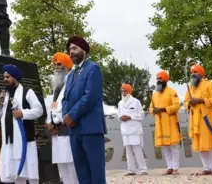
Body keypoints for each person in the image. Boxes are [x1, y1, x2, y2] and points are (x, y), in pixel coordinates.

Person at [61, 36, 107, 184]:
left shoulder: (93, 68)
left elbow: (90, 96)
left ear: (84, 50)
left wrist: (72, 116)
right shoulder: (70, 75)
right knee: (81, 172)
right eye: (70, 49)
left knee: (95, 171)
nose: (71, 52)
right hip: (74, 130)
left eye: (74, 48)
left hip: (90, 128)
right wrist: (65, 117)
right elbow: (65, 99)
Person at [0, 64, 43, 184]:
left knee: (31, 174)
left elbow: (39, 110)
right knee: (17, 175)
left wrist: (23, 113)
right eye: (4, 77)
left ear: (15, 77)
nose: (5, 80)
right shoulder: (5, 96)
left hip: (25, 141)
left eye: (8, 77)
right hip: (10, 142)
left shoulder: (27, 92)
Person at [46, 53, 78, 184]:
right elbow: (53, 106)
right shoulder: (57, 87)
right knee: (62, 166)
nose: (56, 67)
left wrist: (57, 120)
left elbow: (72, 106)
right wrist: (49, 122)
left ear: (67, 66)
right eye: (55, 65)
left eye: (59, 64)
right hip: (57, 133)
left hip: (68, 129)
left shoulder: (73, 82)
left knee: (72, 166)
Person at [184, 64, 212, 175]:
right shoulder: (190, 87)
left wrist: (201, 100)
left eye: (195, 72)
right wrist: (189, 103)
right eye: (192, 73)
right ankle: (207, 168)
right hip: (195, 120)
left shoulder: (210, 84)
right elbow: (185, 102)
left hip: (207, 119)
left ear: (201, 74)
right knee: (200, 145)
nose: (193, 74)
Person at [149, 70, 181, 175]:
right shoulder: (154, 94)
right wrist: (153, 110)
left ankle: (175, 168)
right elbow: (150, 108)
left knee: (173, 146)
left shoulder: (172, 92)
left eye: (160, 78)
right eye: (157, 79)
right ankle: (170, 167)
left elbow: (176, 106)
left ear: (166, 80)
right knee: (165, 147)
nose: (158, 80)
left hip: (171, 122)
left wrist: (162, 109)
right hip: (160, 124)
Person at [117, 84, 148, 176]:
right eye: (122, 91)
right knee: (128, 150)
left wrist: (130, 117)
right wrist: (121, 117)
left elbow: (141, 115)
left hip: (135, 130)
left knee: (137, 150)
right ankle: (131, 170)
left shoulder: (135, 102)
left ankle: (143, 169)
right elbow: (118, 115)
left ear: (129, 91)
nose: (123, 93)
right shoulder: (120, 103)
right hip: (125, 130)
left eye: (125, 91)